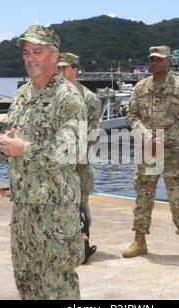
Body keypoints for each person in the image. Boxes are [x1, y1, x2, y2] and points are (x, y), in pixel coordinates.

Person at [0, 25, 87, 300]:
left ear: (54, 56)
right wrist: (1, 145)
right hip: (24, 209)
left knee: (58, 286)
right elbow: (9, 133)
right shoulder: (23, 95)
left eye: (38, 51)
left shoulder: (68, 98)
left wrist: (24, 149)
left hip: (55, 214)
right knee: (26, 281)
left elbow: (71, 150)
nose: (30, 58)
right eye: (26, 52)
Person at [122, 46, 179, 261]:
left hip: (174, 152)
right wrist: (149, 138)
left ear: (169, 61)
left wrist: (164, 140)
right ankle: (139, 240)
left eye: (160, 59)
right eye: (152, 59)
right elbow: (133, 116)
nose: (155, 63)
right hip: (149, 151)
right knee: (143, 196)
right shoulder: (140, 87)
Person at [57, 52, 100, 227]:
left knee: (81, 208)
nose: (60, 72)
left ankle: (84, 245)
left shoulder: (89, 98)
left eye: (64, 68)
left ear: (76, 70)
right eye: (58, 68)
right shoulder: (52, 96)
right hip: (55, 162)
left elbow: (91, 134)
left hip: (79, 165)